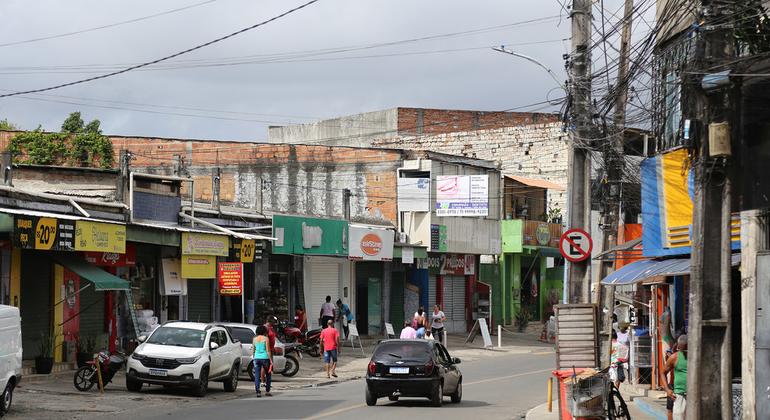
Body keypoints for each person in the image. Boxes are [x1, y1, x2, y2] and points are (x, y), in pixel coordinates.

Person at [663, 334, 687, 420]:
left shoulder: (697, 356)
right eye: (680, 349)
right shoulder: (674, 357)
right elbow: (663, 373)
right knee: (673, 413)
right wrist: (667, 389)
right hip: (678, 394)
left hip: (694, 395)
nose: (683, 352)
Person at [251, 325, 273, 397]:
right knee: (268, 375)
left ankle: (258, 392)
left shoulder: (254, 339)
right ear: (264, 331)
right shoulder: (266, 339)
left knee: (257, 376)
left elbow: (253, 350)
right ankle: (267, 391)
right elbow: (268, 350)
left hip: (256, 358)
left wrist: (254, 358)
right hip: (265, 358)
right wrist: (270, 360)